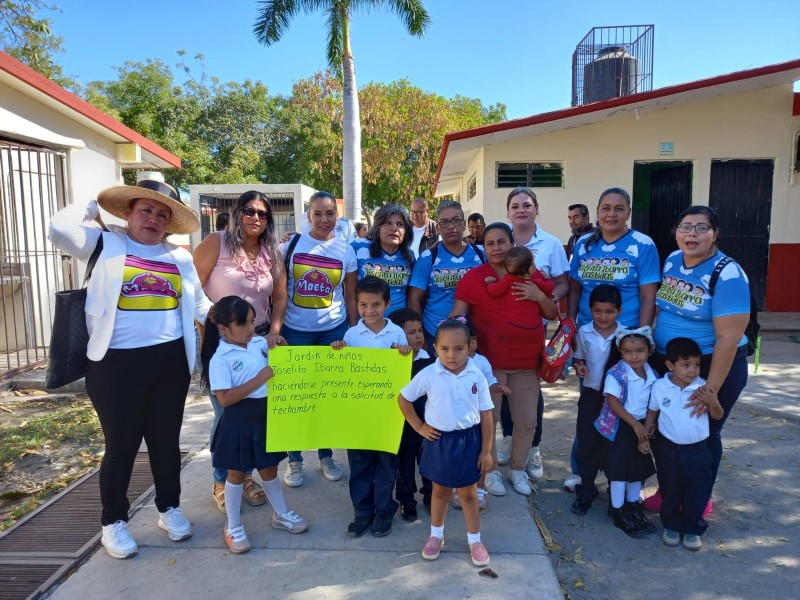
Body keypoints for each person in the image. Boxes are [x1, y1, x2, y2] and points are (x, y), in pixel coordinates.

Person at [48, 180, 212, 560]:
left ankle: (169, 508)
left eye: (162, 213)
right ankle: (113, 522)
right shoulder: (106, 244)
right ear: (128, 213)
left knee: (165, 443)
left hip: (170, 362)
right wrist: (92, 208)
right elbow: (59, 228)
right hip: (115, 364)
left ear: (170, 222)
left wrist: (242, 326)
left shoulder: (180, 258)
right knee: (121, 446)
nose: (153, 219)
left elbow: (201, 305)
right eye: (145, 210)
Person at [646, 206, 750, 517]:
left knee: (702, 435)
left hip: (709, 365)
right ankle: (668, 491)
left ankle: (698, 497)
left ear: (715, 233)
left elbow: (728, 339)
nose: (692, 234)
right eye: (686, 227)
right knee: (666, 431)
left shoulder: (728, 273)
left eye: (701, 228)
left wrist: (710, 390)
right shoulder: (673, 260)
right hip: (668, 362)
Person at [193, 190, 287, 512]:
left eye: (262, 213)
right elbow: (192, 286)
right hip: (219, 338)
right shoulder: (215, 244)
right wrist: (212, 321)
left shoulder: (271, 252)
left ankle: (243, 477)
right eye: (249, 211)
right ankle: (221, 479)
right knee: (226, 412)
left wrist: (274, 332)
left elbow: (280, 296)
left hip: (258, 337)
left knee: (252, 414)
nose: (255, 218)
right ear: (237, 213)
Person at [450, 223, 557, 497]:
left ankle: (518, 469)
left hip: (526, 363)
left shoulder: (532, 273)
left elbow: (552, 313)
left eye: (501, 241)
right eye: (489, 243)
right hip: (489, 366)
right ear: (483, 248)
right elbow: (458, 316)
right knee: (489, 419)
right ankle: (491, 471)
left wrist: (539, 295)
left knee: (527, 420)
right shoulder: (475, 278)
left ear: (512, 243)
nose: (496, 248)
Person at [564, 187, 660, 492]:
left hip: (625, 342)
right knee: (589, 408)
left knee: (626, 408)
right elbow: (575, 287)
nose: (611, 214)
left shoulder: (643, 245)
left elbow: (648, 295)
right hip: (590, 337)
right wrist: (569, 326)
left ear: (628, 212)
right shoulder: (584, 243)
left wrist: (640, 338)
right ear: (597, 212)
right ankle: (582, 472)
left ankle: (628, 475)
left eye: (619, 208)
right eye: (605, 208)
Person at [201, 296, 308, 554]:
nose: (251, 328)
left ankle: (280, 513)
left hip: (265, 418)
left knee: (269, 468)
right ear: (224, 329)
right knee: (237, 474)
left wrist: (282, 344)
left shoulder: (260, 343)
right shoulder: (220, 358)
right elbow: (224, 399)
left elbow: (282, 361)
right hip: (238, 421)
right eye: (243, 324)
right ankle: (233, 525)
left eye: (252, 321)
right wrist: (260, 379)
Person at [275, 190, 358, 487]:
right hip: (295, 330)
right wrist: (277, 329)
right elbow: (281, 293)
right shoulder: (292, 245)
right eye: (318, 213)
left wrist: (352, 331)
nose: (324, 219)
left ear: (338, 217)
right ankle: (295, 461)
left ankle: (326, 455)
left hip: (333, 331)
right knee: (296, 397)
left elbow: (350, 298)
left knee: (327, 398)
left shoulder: (346, 251)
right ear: (308, 216)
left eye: (330, 214)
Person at [397, 318, 494, 567]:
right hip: (439, 441)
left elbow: (486, 415)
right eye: (445, 349)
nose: (452, 355)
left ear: (470, 346)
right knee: (439, 491)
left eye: (459, 349)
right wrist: (419, 426)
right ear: (435, 347)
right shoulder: (429, 373)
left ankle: (475, 541)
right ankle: (436, 536)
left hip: (468, 441)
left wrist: (485, 451)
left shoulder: (477, 375)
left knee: (468, 494)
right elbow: (404, 399)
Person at [330, 277, 411, 538]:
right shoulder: (351, 334)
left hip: (388, 414)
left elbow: (403, 368)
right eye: (363, 305)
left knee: (387, 465)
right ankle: (362, 513)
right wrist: (338, 349)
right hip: (359, 415)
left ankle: (384, 511)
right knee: (360, 464)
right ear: (357, 304)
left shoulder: (397, 333)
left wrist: (403, 352)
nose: (370, 310)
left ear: (387, 303)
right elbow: (341, 370)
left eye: (376, 304)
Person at [502, 187, 570, 479]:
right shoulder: (500, 240)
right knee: (502, 387)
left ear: (536, 208)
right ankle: (508, 439)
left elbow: (563, 282)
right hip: (502, 330)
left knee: (531, 390)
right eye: (515, 205)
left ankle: (533, 448)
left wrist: (544, 297)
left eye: (527, 205)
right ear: (508, 212)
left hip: (533, 329)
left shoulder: (551, 243)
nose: (521, 210)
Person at [642, 337, 723, 551]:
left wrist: (712, 403)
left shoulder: (703, 388)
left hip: (698, 450)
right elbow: (653, 410)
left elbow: (718, 415)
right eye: (686, 365)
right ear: (670, 365)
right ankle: (670, 525)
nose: (693, 370)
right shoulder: (660, 386)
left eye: (697, 365)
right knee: (670, 488)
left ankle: (692, 529)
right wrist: (647, 433)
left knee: (697, 490)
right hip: (667, 448)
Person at [594, 327, 658, 538]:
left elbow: (653, 405)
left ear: (650, 349)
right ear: (620, 352)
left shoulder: (652, 374)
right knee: (620, 470)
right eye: (628, 352)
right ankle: (618, 510)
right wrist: (635, 425)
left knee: (637, 469)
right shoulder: (617, 373)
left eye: (640, 350)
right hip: (621, 426)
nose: (634, 356)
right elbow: (613, 402)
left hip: (641, 425)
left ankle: (633, 506)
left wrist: (646, 428)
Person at [569, 284, 622, 516]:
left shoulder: (626, 335)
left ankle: (617, 493)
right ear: (590, 309)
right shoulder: (584, 332)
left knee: (615, 446)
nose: (603, 317)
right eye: (598, 311)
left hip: (617, 401)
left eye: (609, 312)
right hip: (591, 396)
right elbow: (578, 358)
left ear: (618, 311)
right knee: (587, 443)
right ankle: (586, 489)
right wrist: (579, 366)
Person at [407, 200, 485, 350]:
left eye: (456, 220)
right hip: (434, 335)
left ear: (464, 224)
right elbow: (414, 298)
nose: (451, 226)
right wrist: (421, 334)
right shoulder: (428, 258)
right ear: (437, 228)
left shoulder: (481, 255)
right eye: (444, 222)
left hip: (475, 336)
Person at [390, 308, 435, 521]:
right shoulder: (392, 361)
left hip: (427, 423)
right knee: (404, 465)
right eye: (411, 332)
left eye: (420, 331)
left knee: (428, 462)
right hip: (402, 423)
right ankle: (406, 501)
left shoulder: (432, 362)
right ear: (399, 336)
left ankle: (431, 495)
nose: (418, 336)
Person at [351, 204, 414, 312]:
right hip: (365, 322)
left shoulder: (409, 256)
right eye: (388, 223)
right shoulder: (357, 247)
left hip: (398, 325)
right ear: (378, 227)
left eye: (400, 224)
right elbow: (349, 294)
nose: (394, 228)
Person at [485, 246, 552, 300]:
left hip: (512, 315)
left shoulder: (507, 280)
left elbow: (494, 291)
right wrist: (547, 278)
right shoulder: (535, 282)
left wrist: (489, 282)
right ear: (530, 270)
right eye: (533, 262)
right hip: (532, 316)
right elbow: (549, 288)